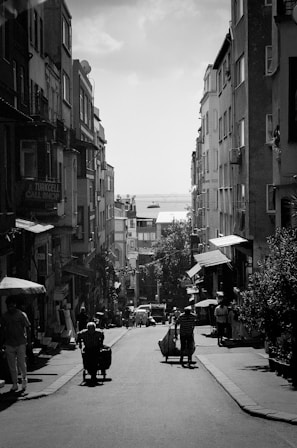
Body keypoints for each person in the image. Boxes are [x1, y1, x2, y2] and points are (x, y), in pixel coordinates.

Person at [0, 296, 31, 392]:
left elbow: (28, 327)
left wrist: (29, 342)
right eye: (9, 306)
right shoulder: (5, 316)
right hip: (9, 343)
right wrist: (2, 342)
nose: (11, 308)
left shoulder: (21, 315)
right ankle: (15, 383)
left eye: (12, 305)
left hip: (21, 342)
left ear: (15, 305)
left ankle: (24, 379)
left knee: (21, 363)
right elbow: (2, 330)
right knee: (12, 365)